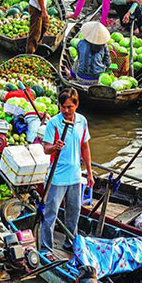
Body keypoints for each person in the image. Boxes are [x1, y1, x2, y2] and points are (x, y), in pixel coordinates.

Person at [41, 87, 93, 254]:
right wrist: (54, 147)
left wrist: (89, 173)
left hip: (75, 177)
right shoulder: (54, 123)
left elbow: (85, 147)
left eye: (69, 107)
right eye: (63, 107)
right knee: (50, 214)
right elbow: (46, 148)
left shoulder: (82, 122)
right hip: (56, 178)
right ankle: (46, 248)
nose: (66, 110)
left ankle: (70, 243)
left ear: (76, 105)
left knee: (74, 213)